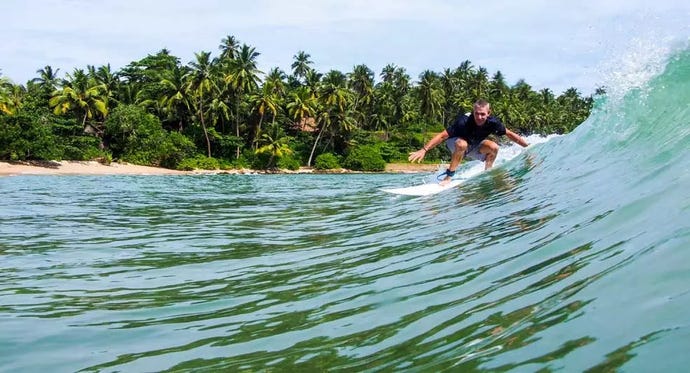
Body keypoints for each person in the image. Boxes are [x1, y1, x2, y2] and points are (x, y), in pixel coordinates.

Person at [408, 99, 529, 185]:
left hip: (473, 146)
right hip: (455, 144)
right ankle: (448, 176)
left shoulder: (493, 123)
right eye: (476, 113)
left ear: (488, 113)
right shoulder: (463, 121)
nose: (479, 117)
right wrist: (424, 150)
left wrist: (527, 147)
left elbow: (509, 134)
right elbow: (442, 136)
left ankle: (487, 172)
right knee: (462, 144)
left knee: (494, 147)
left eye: (483, 114)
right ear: (473, 112)